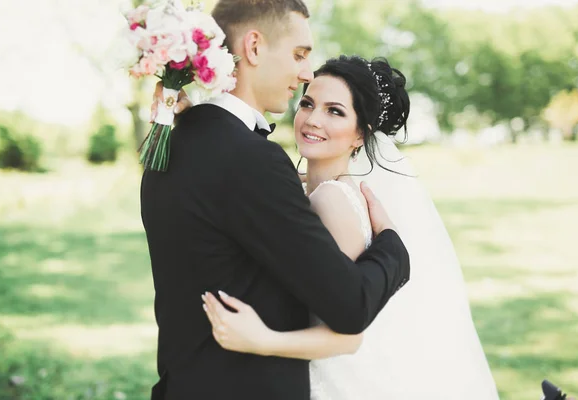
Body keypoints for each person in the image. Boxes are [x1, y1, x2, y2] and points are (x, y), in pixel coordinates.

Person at [141, 1, 410, 399]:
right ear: (253, 47)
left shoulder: (172, 141)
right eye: (299, 55)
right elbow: (350, 306)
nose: (305, 74)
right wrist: (392, 245)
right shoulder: (250, 158)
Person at [202, 55, 500, 399]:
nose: (312, 120)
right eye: (308, 103)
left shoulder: (333, 201)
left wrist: (261, 340)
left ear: (360, 134)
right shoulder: (309, 190)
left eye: (335, 111)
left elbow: (348, 332)